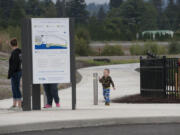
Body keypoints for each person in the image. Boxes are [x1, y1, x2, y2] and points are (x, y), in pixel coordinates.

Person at [8, 38, 22, 109]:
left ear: (11, 44)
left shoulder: (14, 52)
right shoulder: (20, 52)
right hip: (19, 71)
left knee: (15, 88)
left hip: (15, 72)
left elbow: (14, 64)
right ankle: (15, 104)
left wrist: (10, 73)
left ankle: (19, 104)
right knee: (15, 88)